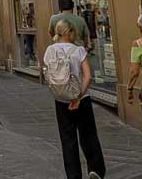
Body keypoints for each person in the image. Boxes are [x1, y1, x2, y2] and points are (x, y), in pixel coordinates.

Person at [45, 20, 105, 179]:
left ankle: (73, 175)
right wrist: (78, 96)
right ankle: (96, 170)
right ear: (70, 32)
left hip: (61, 100)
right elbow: (88, 76)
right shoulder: (78, 51)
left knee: (67, 140)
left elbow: (48, 73)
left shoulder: (50, 50)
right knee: (89, 136)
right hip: (81, 99)